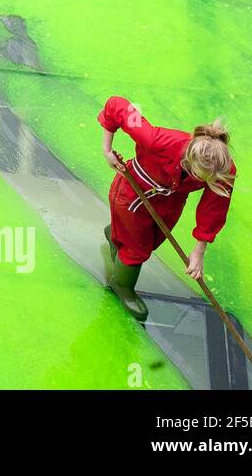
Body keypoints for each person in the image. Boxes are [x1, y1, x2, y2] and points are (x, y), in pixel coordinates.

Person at [98, 96, 236, 322]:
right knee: (137, 250)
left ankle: (115, 234)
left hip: (170, 204)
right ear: (189, 162)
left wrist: (199, 249)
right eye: (204, 179)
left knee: (148, 243)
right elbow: (116, 104)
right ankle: (122, 286)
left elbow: (215, 207)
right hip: (134, 194)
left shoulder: (221, 167)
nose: (211, 183)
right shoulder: (158, 140)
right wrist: (107, 149)